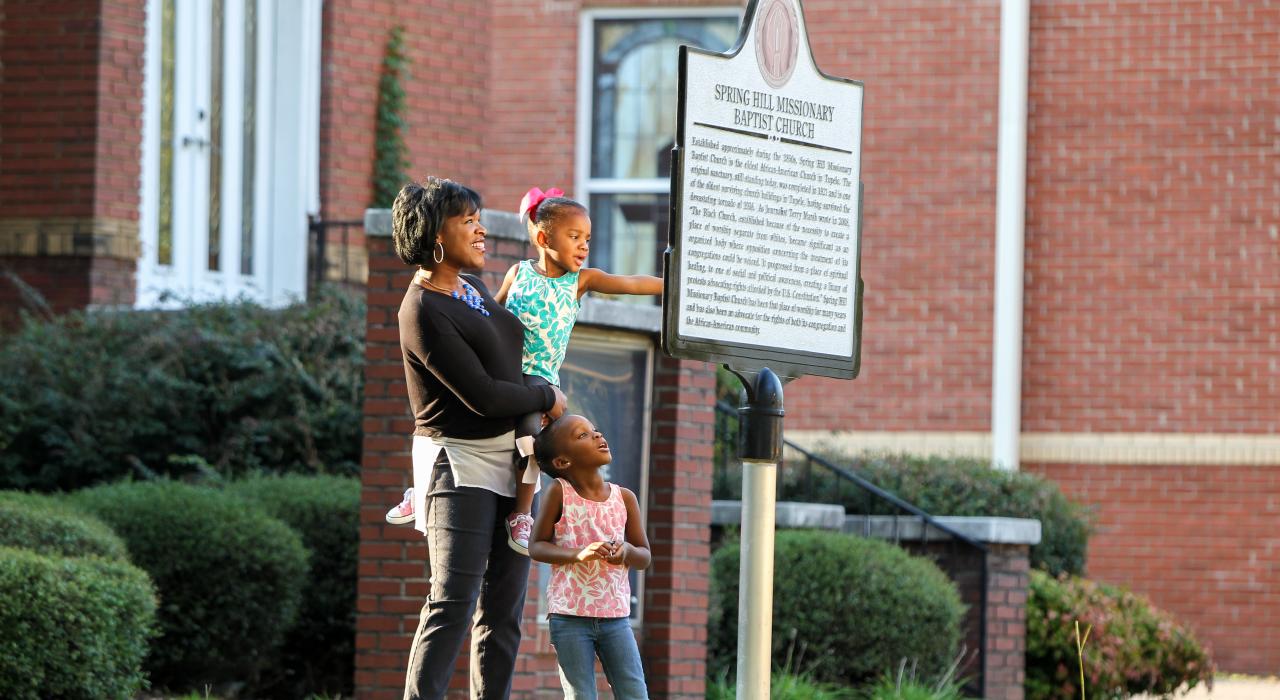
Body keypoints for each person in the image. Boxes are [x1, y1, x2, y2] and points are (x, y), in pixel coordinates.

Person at [389, 186, 662, 559]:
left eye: (587, 239)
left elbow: (630, 284)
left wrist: (674, 285)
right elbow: (492, 316)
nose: (583, 246)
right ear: (544, 237)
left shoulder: (578, 281)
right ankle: (424, 490)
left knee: (532, 438)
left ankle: (522, 512)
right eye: (574, 237)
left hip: (539, 377)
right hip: (506, 375)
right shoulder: (516, 274)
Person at [390, 176, 567, 700]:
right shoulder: (422, 310)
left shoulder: (469, 291)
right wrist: (545, 397)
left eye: (478, 218)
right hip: (458, 463)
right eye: (467, 221)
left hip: (511, 462)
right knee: (453, 602)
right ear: (435, 236)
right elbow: (485, 397)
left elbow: (508, 365)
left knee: (504, 610)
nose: (481, 229)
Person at [528, 414, 652, 700]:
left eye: (595, 430)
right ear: (562, 462)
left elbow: (644, 556)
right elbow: (537, 546)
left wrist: (626, 552)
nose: (597, 435)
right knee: (581, 695)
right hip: (569, 617)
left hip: (616, 618)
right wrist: (577, 554)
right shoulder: (559, 493)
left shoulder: (625, 498)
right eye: (582, 435)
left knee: (634, 692)